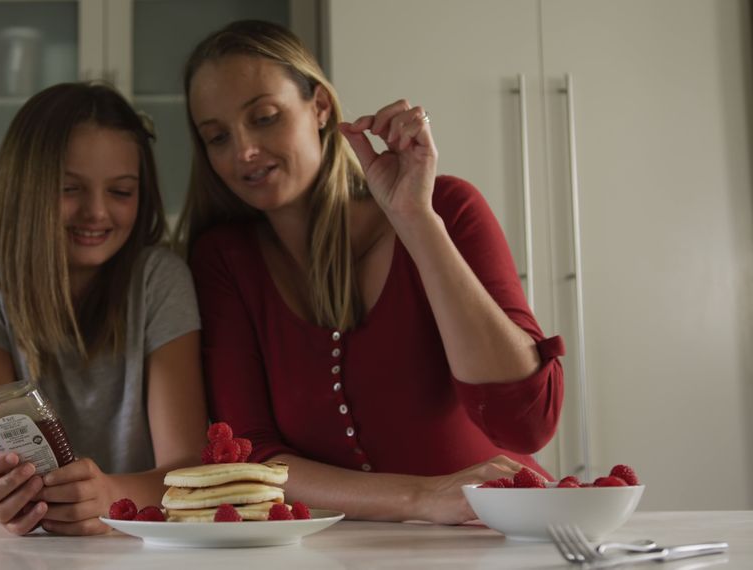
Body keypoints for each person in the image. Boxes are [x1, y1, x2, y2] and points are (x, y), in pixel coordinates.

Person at [175, 20, 565, 524]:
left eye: (265, 117)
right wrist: (421, 498)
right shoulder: (224, 261)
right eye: (217, 136)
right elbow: (256, 457)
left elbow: (527, 424)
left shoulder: (446, 207)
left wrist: (415, 221)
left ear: (319, 107)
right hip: (340, 554)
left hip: (499, 535)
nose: (244, 150)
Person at [0, 82, 208, 536]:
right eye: (69, 188)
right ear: (26, 189)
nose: (96, 212)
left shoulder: (160, 279)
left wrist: (109, 496)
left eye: (121, 191)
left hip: (142, 542)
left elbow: (189, 470)